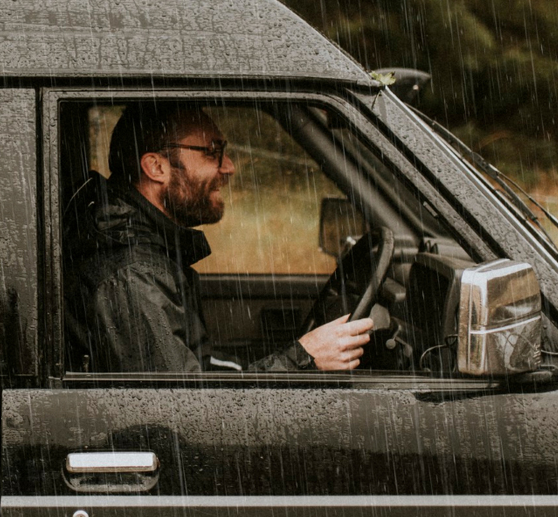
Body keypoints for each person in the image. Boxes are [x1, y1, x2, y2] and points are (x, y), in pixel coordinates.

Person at [65, 101, 374, 373]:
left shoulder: (146, 251)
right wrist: (303, 358)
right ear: (156, 167)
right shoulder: (132, 275)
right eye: (213, 151)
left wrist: (295, 356)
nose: (229, 167)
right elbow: (185, 413)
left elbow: (197, 371)